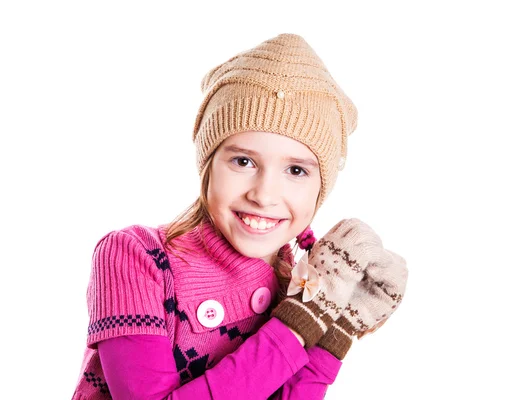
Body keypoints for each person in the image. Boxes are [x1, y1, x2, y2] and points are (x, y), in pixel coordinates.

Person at [72, 33, 409, 400]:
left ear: (320, 188)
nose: (263, 195)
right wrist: (298, 324)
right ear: (208, 166)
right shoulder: (136, 257)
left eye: (296, 170)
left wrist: (334, 331)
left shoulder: (297, 281)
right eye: (243, 161)